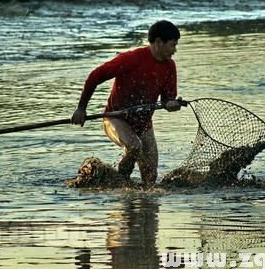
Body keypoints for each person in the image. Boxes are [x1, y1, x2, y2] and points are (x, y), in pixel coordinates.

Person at [71, 20, 182, 185]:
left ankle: (138, 203)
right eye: (172, 45)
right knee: (134, 146)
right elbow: (96, 76)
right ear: (158, 42)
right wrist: (81, 108)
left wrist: (172, 105)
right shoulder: (131, 59)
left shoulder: (169, 67)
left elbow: (167, 100)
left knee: (150, 177)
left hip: (144, 124)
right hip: (115, 118)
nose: (175, 50)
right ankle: (120, 183)